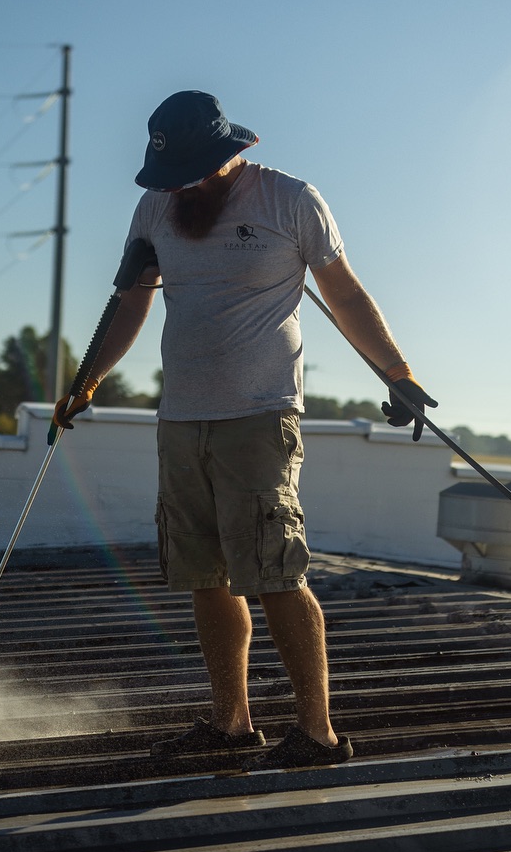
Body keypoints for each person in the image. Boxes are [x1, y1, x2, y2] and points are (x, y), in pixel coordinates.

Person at [52, 90, 435, 769]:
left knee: (276, 574)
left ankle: (316, 734)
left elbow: (343, 292)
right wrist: (88, 379)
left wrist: (396, 373)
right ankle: (230, 724)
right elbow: (131, 300)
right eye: (172, 175)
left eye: (195, 170)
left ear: (231, 152)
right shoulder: (156, 207)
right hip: (181, 418)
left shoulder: (290, 200)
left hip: (260, 417)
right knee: (205, 576)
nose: (183, 186)